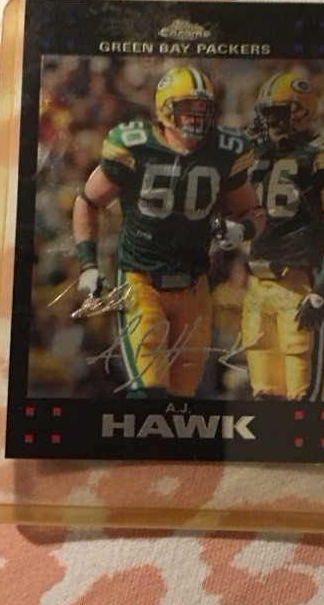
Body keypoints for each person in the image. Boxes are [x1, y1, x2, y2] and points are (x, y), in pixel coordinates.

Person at [72, 65, 264, 398]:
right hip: (141, 281)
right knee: (148, 395)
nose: (196, 116)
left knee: (180, 403)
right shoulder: (134, 144)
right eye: (187, 106)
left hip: (195, 285)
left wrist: (242, 230)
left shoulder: (225, 148)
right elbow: (88, 201)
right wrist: (88, 264)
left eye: (203, 107)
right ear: (163, 108)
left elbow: (254, 211)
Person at [241, 70, 324, 400]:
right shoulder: (258, 154)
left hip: (299, 283)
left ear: (302, 114)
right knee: (264, 395)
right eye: (266, 113)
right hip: (257, 286)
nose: (269, 122)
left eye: (277, 113)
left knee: (302, 398)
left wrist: (322, 289)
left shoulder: (317, 156)